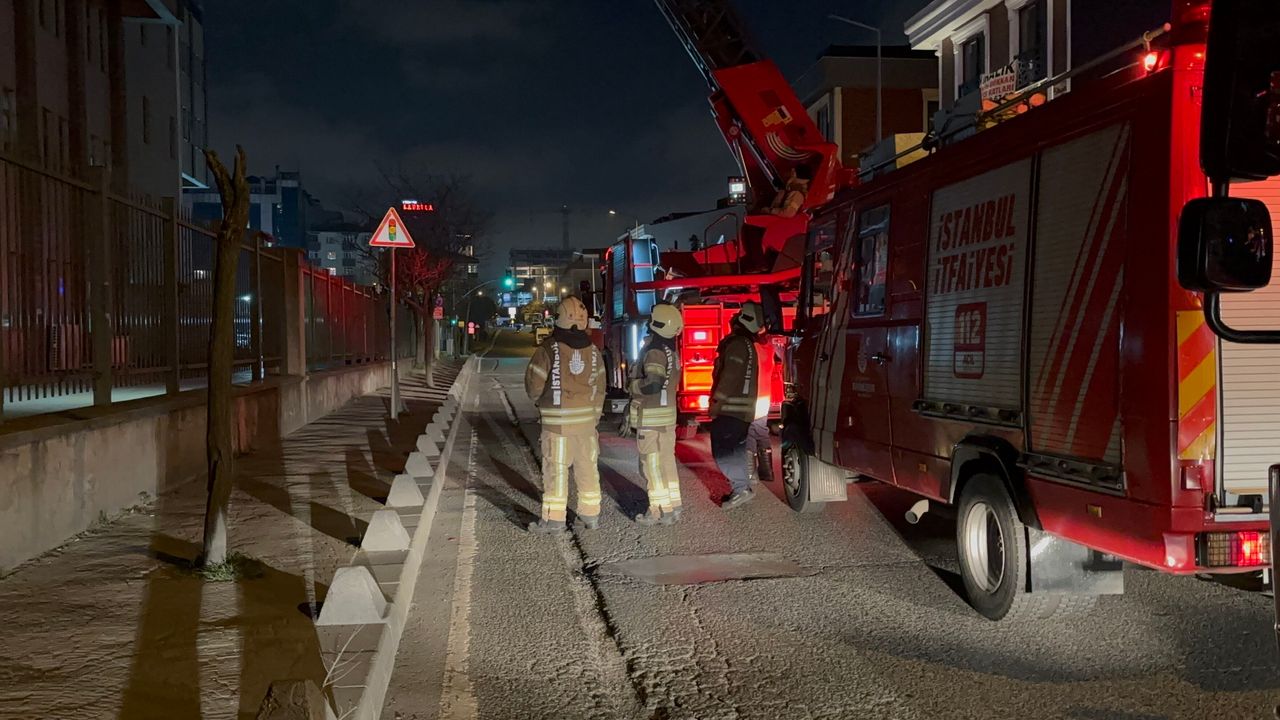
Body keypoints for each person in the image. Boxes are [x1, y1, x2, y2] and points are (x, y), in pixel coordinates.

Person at [525, 295, 606, 533]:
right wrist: (594, 416)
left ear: (559, 318)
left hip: (557, 425)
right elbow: (600, 387)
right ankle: (590, 515)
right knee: (587, 468)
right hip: (586, 426)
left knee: (556, 470)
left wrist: (542, 403)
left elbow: (534, 386)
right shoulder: (594, 352)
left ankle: (554, 520)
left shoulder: (548, 349)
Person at [709, 300, 771, 509]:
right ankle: (743, 485)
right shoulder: (748, 344)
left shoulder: (737, 344)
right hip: (742, 408)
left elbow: (730, 376)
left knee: (724, 452)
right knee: (736, 449)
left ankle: (741, 488)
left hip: (731, 408)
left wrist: (717, 401)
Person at [629, 303, 684, 526]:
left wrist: (632, 386)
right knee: (667, 461)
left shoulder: (654, 352)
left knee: (651, 464)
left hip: (651, 418)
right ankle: (674, 505)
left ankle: (659, 510)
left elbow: (652, 383)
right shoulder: (672, 351)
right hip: (667, 417)